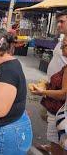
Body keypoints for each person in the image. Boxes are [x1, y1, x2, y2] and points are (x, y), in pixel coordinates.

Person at [33, 10, 67, 153]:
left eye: (62, 21)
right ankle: (54, 146)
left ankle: (56, 147)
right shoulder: (61, 40)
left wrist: (43, 91)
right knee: (51, 123)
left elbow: (63, 93)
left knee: (57, 127)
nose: (58, 25)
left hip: (59, 98)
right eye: (57, 21)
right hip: (53, 89)